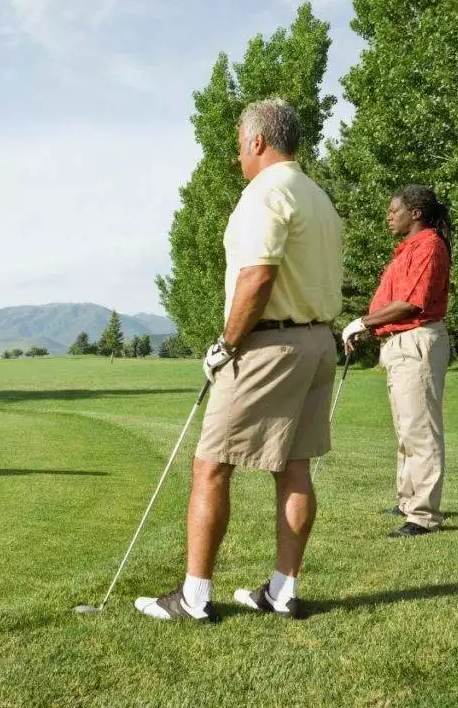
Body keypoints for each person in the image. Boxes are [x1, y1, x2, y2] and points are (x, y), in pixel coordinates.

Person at [135, 98, 343, 623]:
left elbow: (258, 276)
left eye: (238, 148)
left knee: (211, 465)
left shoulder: (263, 194)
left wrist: (227, 344)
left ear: (256, 142)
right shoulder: (317, 197)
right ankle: (281, 589)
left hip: (269, 345)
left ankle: (194, 598)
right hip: (319, 343)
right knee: (295, 468)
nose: (237, 159)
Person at [342, 185, 451, 538]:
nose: (389, 217)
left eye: (394, 211)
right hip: (400, 343)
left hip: (418, 341)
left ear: (415, 212)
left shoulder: (429, 245)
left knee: (420, 430)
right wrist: (369, 328)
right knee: (406, 429)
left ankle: (423, 516)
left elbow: (410, 303)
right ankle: (408, 501)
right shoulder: (409, 249)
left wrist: (362, 322)